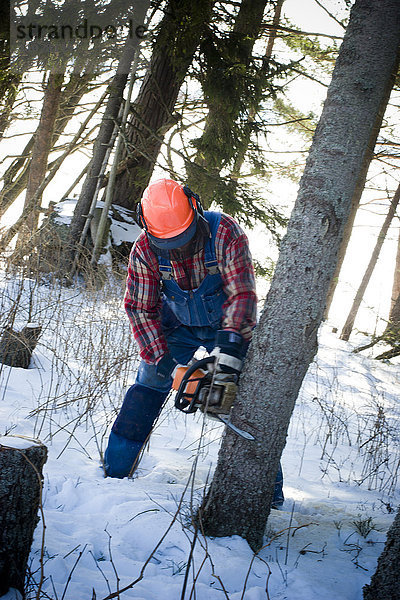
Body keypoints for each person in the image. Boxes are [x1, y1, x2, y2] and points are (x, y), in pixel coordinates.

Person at [104, 178, 284, 507]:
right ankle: (115, 470)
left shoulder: (225, 232)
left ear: (196, 209)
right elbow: (140, 310)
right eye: (168, 243)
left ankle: (266, 493)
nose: (177, 247)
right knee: (147, 387)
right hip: (178, 326)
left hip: (225, 323)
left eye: (184, 239)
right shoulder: (144, 249)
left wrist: (228, 356)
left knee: (245, 399)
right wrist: (167, 367)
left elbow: (240, 293)